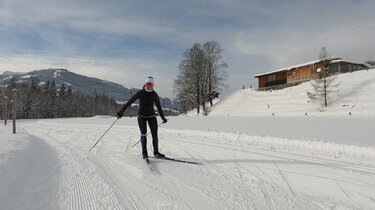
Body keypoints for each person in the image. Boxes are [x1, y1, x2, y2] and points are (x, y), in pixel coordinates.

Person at [117, 76, 168, 159]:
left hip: (152, 116)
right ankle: (144, 153)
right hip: (141, 116)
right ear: (145, 84)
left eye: (151, 84)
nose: (149, 86)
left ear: (153, 85)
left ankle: (156, 152)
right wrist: (121, 111)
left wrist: (163, 118)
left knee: (155, 135)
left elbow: (159, 107)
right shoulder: (140, 93)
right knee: (143, 133)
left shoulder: (154, 94)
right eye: (148, 84)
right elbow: (130, 101)